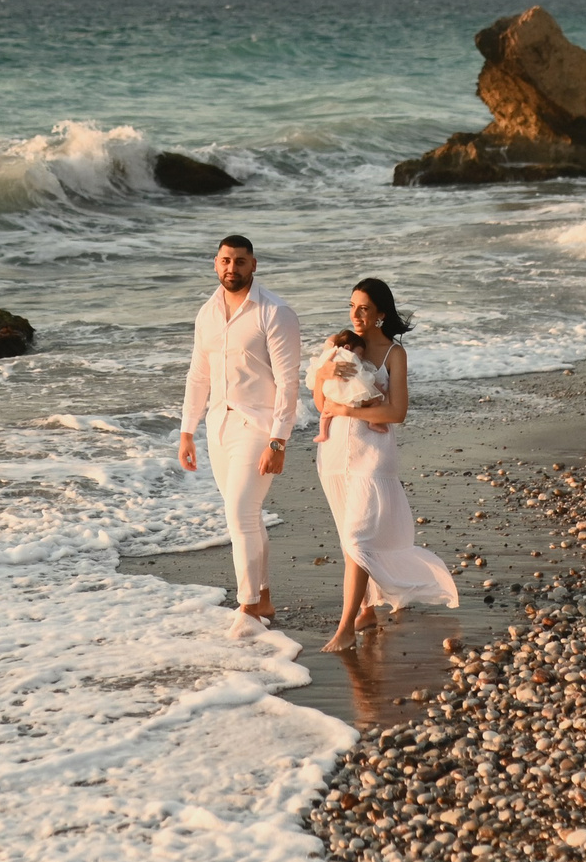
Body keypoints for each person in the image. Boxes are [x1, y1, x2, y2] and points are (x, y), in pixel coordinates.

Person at [312, 276, 456, 651]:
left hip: (373, 455)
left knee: (359, 537)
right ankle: (367, 610)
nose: (355, 314)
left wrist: (346, 408)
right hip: (333, 454)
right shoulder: (337, 344)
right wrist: (324, 374)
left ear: (380, 314)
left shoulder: (395, 354)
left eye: (364, 308)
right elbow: (318, 400)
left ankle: (345, 628)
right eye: (351, 306)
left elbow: (398, 411)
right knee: (350, 540)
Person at [179, 234, 303, 625]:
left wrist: (278, 440)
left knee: (240, 513)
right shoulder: (207, 313)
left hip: (259, 425)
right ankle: (262, 597)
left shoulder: (275, 312)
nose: (232, 268)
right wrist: (187, 431)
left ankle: (247, 606)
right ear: (216, 264)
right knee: (246, 514)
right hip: (219, 426)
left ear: (254, 265)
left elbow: (288, 382)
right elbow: (199, 376)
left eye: (240, 261)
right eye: (225, 261)